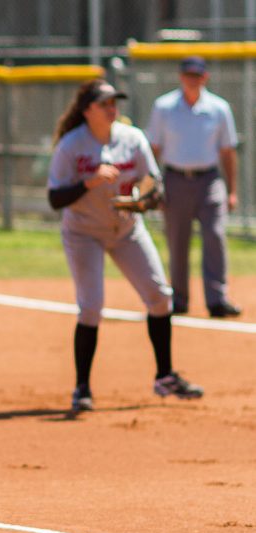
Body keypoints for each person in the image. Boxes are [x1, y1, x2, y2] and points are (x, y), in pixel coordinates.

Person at [46, 79, 203, 414]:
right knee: (91, 306)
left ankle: (165, 376)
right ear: (88, 110)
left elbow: (154, 185)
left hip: (127, 229)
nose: (111, 107)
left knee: (161, 296)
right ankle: (82, 388)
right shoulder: (72, 146)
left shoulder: (132, 140)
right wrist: (89, 181)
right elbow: (55, 198)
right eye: (104, 103)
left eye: (114, 102)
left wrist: (145, 201)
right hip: (84, 232)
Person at [145, 56, 241, 318]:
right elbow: (153, 150)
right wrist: (154, 187)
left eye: (197, 75)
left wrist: (232, 190)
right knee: (178, 240)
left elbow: (228, 152)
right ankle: (179, 298)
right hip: (174, 179)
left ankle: (217, 299)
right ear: (180, 76)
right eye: (188, 74)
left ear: (205, 77)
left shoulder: (219, 108)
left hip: (210, 180)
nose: (192, 79)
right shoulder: (164, 107)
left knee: (215, 234)